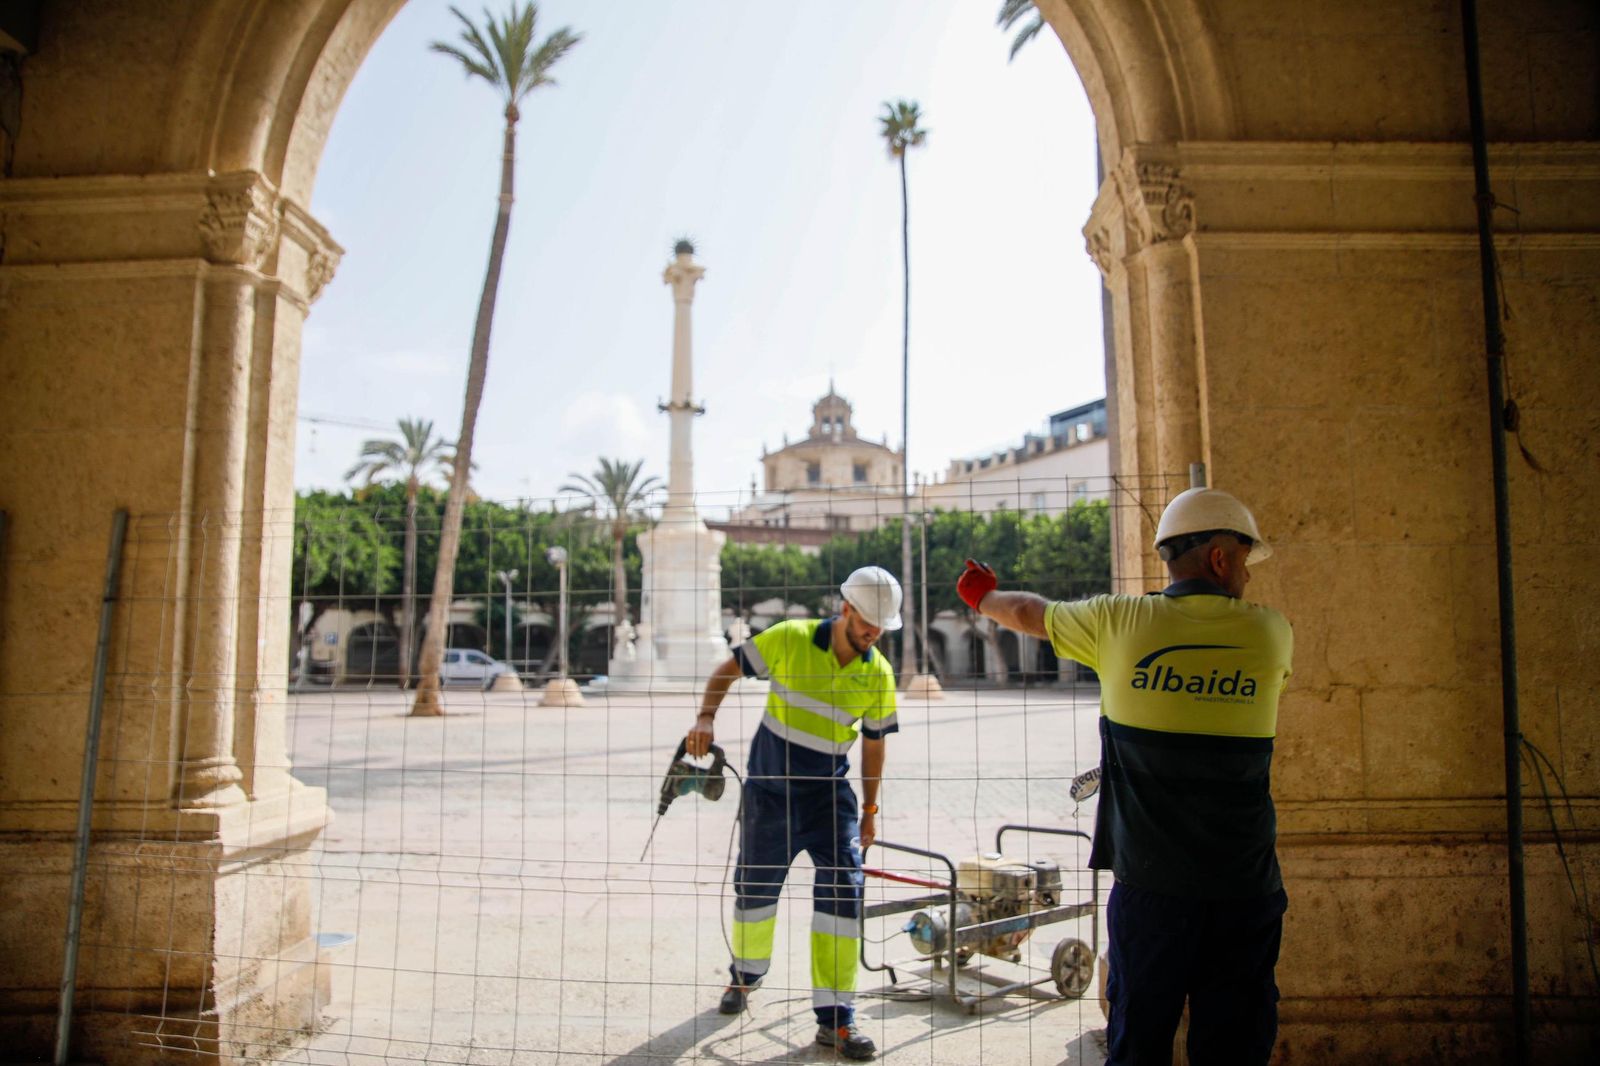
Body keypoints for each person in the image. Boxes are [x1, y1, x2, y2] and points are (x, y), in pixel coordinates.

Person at [955, 487, 1293, 1066]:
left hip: (1150, 890)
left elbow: (1028, 612)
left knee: (1138, 1041)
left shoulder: (1118, 622)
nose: (1247, 573)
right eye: (1242, 556)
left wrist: (983, 597)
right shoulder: (1269, 634)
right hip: (1243, 888)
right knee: (1235, 1044)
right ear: (1218, 557)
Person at [686, 566, 902, 1062]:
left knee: (845, 892)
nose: (872, 633)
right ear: (846, 608)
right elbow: (727, 670)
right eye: (867, 621)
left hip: (829, 798)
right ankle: (745, 977)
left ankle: (837, 1018)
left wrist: (869, 810)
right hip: (769, 795)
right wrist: (705, 716)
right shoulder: (791, 638)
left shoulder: (878, 673)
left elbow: (873, 748)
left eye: (880, 627)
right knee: (755, 892)